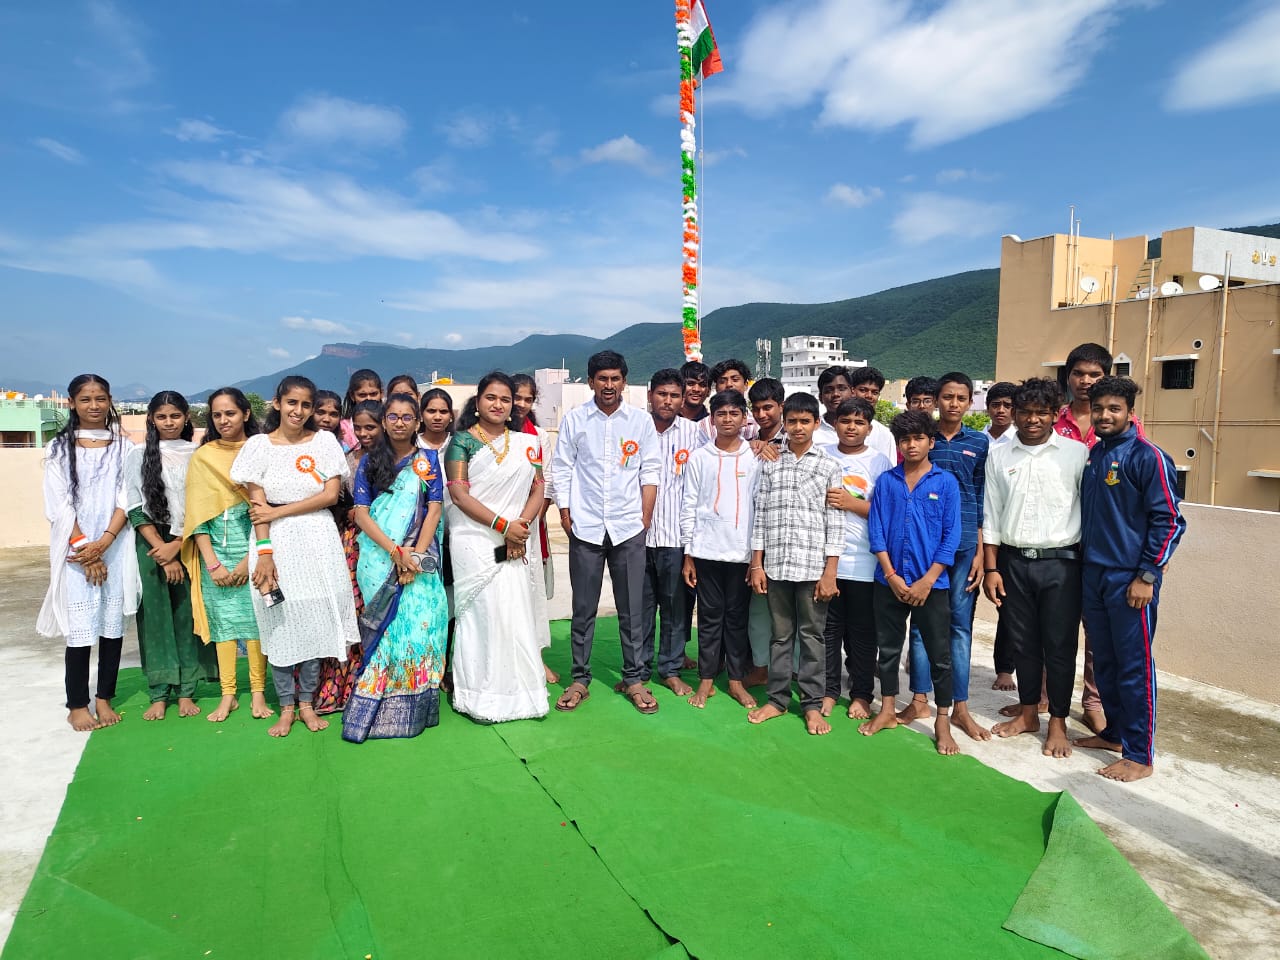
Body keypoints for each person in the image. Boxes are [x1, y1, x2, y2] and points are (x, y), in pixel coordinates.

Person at [231, 376, 359, 737]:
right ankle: (286, 707)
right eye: (292, 403)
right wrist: (265, 555)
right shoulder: (258, 446)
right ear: (277, 403)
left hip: (318, 540)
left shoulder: (323, 442)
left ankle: (307, 703)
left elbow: (331, 495)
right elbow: (258, 508)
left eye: (306, 405)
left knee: (317, 622)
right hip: (276, 545)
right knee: (281, 625)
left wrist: (278, 511)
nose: (298, 411)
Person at [1074, 377, 1185, 782]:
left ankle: (1139, 754)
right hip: (1094, 575)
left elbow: (1170, 520)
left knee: (1134, 666)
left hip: (1130, 580)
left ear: (1129, 413)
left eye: (1114, 409)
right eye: (1099, 408)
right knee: (1104, 661)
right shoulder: (1094, 456)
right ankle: (1115, 734)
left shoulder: (1148, 456)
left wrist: (1147, 574)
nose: (1105, 415)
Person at [551, 350, 660, 714]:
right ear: (591, 381)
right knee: (583, 609)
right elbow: (562, 469)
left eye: (615, 378)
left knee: (632, 609)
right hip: (586, 527)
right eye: (602, 378)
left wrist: (644, 516)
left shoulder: (640, 422)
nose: (609, 385)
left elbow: (651, 471)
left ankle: (634, 679)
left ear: (624, 382)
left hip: (629, 527)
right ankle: (580, 678)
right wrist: (566, 513)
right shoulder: (575, 420)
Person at [983, 379, 1088, 758]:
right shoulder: (999, 455)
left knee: (1060, 648)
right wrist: (992, 569)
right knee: (1024, 645)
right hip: (1012, 563)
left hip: (1061, 564)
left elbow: (1089, 514)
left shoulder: (1076, 455)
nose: (1032, 419)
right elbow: (991, 514)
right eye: (1025, 411)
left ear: (1054, 414)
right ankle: (1028, 714)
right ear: (1014, 413)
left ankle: (1057, 722)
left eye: (1041, 412)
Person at [445, 373, 551, 723]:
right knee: (483, 613)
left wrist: (520, 526)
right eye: (491, 397)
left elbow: (539, 487)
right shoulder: (461, 442)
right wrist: (504, 526)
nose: (498, 404)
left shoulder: (525, 443)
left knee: (513, 610)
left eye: (505, 399)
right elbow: (459, 495)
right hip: (475, 539)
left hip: (516, 537)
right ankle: (480, 694)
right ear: (477, 402)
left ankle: (520, 694)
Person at [343, 393, 449, 740]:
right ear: (385, 420)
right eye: (393, 416)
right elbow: (360, 514)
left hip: (418, 559)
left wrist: (414, 557)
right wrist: (395, 553)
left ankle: (414, 710)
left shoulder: (428, 460)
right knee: (388, 636)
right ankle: (375, 710)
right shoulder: (370, 462)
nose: (400, 422)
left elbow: (434, 509)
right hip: (378, 558)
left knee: (418, 631)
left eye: (407, 417)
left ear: (417, 422)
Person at [1054, 343, 1146, 735]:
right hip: (1062, 542)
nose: (1086, 382)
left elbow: (1153, 506)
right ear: (1069, 376)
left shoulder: (1128, 432)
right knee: (1055, 625)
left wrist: (1149, 569)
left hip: (1112, 555)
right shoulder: (1051, 419)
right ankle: (1045, 694)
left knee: (1103, 638)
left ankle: (1094, 702)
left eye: (1095, 375)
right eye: (1079, 374)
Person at [37, 374, 138, 732]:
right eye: (85, 399)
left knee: (112, 628)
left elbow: (128, 497)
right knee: (80, 630)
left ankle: (104, 697)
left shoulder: (124, 447)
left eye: (100, 399)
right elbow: (59, 505)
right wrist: (85, 548)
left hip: (115, 544)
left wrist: (106, 542)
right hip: (75, 550)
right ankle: (77, 703)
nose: (94, 406)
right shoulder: (59, 448)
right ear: (71, 403)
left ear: (110, 401)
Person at [862, 411, 962, 755]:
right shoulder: (887, 481)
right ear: (899, 444)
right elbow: (876, 532)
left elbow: (952, 536)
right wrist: (890, 575)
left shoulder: (945, 483)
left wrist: (927, 580)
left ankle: (942, 722)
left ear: (931, 442)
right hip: (888, 581)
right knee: (887, 650)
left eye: (918, 438)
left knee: (940, 655)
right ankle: (887, 710)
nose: (912, 445)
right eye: (905, 440)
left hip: (931, 586)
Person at [745, 392, 843, 736]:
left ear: (817, 423)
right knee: (780, 636)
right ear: (783, 424)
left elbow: (836, 522)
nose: (798, 427)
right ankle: (776, 699)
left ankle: (812, 706)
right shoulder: (770, 462)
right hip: (777, 567)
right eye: (792, 421)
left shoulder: (829, 465)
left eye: (805, 421)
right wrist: (757, 564)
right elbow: (759, 517)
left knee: (812, 637)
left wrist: (830, 571)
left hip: (813, 568)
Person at [901, 372, 989, 741]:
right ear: (936, 400)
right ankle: (919, 698)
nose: (953, 403)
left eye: (961, 398)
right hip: (924, 547)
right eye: (947, 397)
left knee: (959, 627)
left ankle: (960, 708)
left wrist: (983, 552)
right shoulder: (923, 439)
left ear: (970, 402)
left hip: (966, 545)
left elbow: (983, 497)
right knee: (921, 627)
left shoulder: (980, 443)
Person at [124, 391, 216, 720]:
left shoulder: (198, 454)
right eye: (161, 417)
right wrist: (161, 552)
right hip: (151, 541)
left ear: (186, 417)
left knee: (186, 611)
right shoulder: (137, 455)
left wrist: (176, 547)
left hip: (188, 538)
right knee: (155, 614)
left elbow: (203, 504)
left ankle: (188, 690)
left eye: (175, 416)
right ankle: (159, 691)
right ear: (151, 419)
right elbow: (134, 507)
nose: (168, 422)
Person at [183, 388, 272, 723]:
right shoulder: (203, 457)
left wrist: (248, 561)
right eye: (217, 415)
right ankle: (228, 695)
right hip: (213, 556)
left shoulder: (262, 451)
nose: (223, 421)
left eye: (230, 413)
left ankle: (259, 692)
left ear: (246, 414)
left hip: (255, 549)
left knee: (254, 623)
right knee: (223, 626)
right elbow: (196, 516)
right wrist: (213, 564)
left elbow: (266, 510)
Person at [681, 389, 761, 709]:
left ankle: (737, 681)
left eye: (734, 413)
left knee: (737, 618)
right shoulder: (699, 457)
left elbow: (760, 506)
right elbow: (689, 506)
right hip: (707, 551)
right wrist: (689, 554)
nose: (728, 420)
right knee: (710, 617)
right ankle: (706, 680)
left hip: (743, 553)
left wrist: (757, 558)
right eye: (721, 414)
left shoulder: (755, 456)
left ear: (744, 418)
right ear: (712, 419)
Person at [820, 397, 891, 719]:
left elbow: (888, 513)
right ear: (835, 423)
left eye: (859, 422)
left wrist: (852, 504)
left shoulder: (880, 463)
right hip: (826, 562)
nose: (851, 427)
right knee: (828, 632)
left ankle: (861, 694)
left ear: (869, 427)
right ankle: (828, 691)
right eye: (845, 421)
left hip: (865, 562)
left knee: (863, 634)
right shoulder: (822, 456)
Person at [312, 399, 383, 715]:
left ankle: (378, 684)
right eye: (359, 428)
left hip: (389, 545)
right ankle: (343, 685)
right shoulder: (347, 460)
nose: (365, 433)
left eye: (371, 427)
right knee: (350, 612)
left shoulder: (398, 461)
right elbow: (334, 501)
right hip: (352, 545)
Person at [643, 369, 699, 698]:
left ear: (683, 399)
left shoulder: (695, 435)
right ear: (650, 395)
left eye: (674, 395)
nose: (668, 400)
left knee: (676, 609)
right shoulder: (634, 430)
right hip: (637, 537)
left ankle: (671, 669)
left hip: (677, 538)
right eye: (662, 393)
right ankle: (638, 669)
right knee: (641, 608)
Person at [744, 378, 787, 682]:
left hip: (788, 537)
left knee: (788, 613)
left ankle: (792, 670)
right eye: (756, 408)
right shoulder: (747, 440)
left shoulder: (797, 438)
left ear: (781, 406)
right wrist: (750, 446)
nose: (762, 414)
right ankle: (759, 667)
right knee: (758, 609)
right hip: (754, 538)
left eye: (768, 407)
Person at [983, 379, 1020, 692]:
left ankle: (1006, 668)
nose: (1002, 411)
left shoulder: (1020, 444)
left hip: (1010, 531)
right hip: (979, 527)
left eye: (1008, 405)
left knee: (1009, 607)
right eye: (996, 404)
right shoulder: (977, 440)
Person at [847, 366, 897, 462]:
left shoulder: (885, 434)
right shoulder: (839, 427)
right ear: (852, 391)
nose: (869, 396)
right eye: (863, 390)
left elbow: (889, 469)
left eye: (874, 392)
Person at [340, 368, 383, 451]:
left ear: (381, 393)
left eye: (373, 394)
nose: (368, 398)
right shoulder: (343, 429)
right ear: (352, 396)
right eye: (362, 395)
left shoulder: (391, 421)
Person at [814, 366, 853, 445]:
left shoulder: (869, 430)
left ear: (853, 393)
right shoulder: (812, 431)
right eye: (828, 390)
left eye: (841, 389)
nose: (835, 394)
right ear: (820, 397)